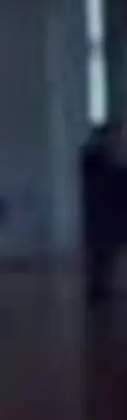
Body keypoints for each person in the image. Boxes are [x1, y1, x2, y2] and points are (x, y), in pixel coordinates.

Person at [80, 119, 126, 303]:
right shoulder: (97, 157)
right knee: (102, 256)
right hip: (103, 216)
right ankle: (98, 292)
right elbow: (111, 182)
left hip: (104, 215)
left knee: (104, 257)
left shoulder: (97, 156)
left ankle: (100, 291)